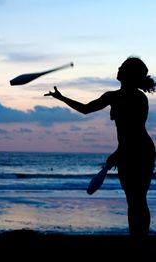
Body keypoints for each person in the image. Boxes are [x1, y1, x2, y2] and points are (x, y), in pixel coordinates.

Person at [45, 57, 155, 240]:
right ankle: (137, 237)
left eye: (123, 67)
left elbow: (134, 131)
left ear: (129, 74)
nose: (118, 68)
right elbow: (86, 109)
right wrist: (61, 97)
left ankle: (139, 238)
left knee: (138, 199)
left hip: (140, 151)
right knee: (133, 199)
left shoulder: (138, 98)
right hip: (131, 149)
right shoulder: (112, 96)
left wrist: (119, 153)